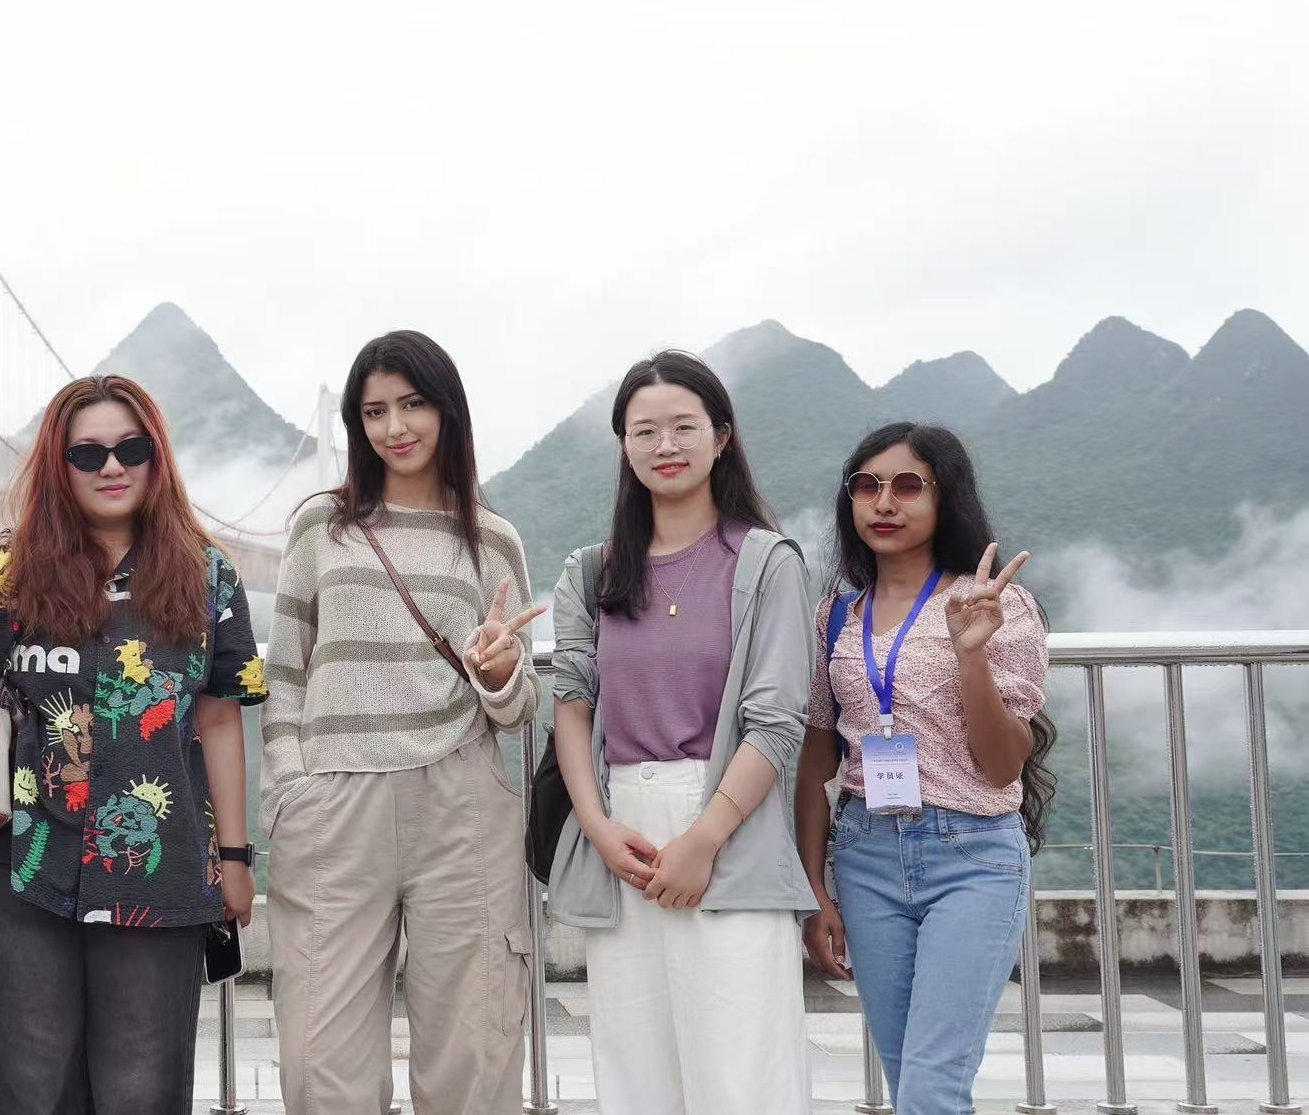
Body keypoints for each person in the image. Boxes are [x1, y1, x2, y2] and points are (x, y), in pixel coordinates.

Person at [0, 374, 262, 1115]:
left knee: (144, 1087)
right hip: (26, 861)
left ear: (156, 457)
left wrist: (235, 860)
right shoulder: (5, 569)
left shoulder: (208, 576)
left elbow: (219, 722)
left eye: (131, 449)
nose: (111, 466)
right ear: (59, 465)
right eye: (88, 453)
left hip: (159, 866)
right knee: (32, 1084)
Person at [262, 330, 543, 1115]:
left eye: (412, 404)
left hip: (462, 800)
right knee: (321, 1060)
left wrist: (497, 672)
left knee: (474, 1054)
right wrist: (291, 791)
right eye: (374, 411)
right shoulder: (320, 526)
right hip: (335, 802)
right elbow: (284, 672)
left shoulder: (493, 538)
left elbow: (518, 708)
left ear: (447, 410)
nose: (394, 427)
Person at [542, 349, 816, 1114]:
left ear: (720, 437)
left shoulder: (765, 563)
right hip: (622, 833)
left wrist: (703, 839)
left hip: (728, 822)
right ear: (623, 447)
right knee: (636, 1069)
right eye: (644, 431)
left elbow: (775, 721)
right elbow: (571, 703)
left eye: (683, 427)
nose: (665, 445)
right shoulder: (592, 573)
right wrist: (597, 827)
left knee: (740, 1070)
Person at [797, 421, 1054, 1114]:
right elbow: (816, 762)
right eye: (867, 485)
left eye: (908, 485)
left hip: (972, 853)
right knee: (905, 1075)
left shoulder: (995, 605)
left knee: (931, 1086)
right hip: (865, 855)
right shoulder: (834, 618)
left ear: (946, 497)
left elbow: (1002, 765)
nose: (885, 502)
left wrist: (971, 654)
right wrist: (815, 889)